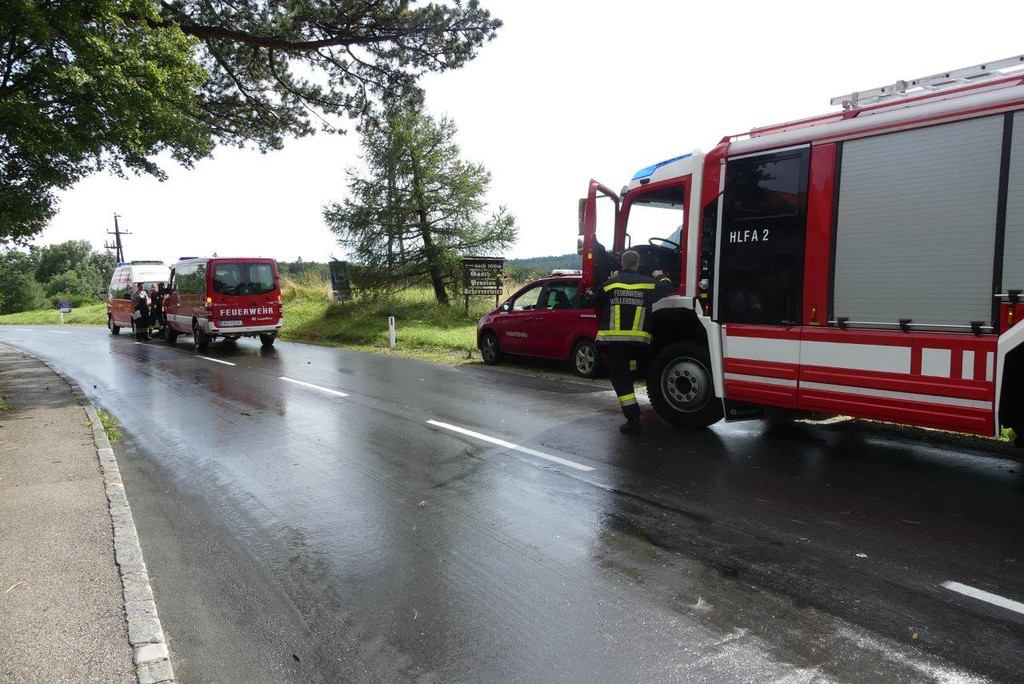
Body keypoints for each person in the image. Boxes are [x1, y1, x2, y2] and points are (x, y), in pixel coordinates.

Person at [592, 250, 673, 435]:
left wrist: (610, 278)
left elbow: (596, 299)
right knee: (628, 370)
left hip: (615, 342)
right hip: (638, 343)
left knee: (619, 380)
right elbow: (667, 287)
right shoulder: (648, 284)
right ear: (638, 264)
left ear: (622, 264)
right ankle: (633, 374)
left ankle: (633, 419)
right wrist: (661, 276)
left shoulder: (611, 284)